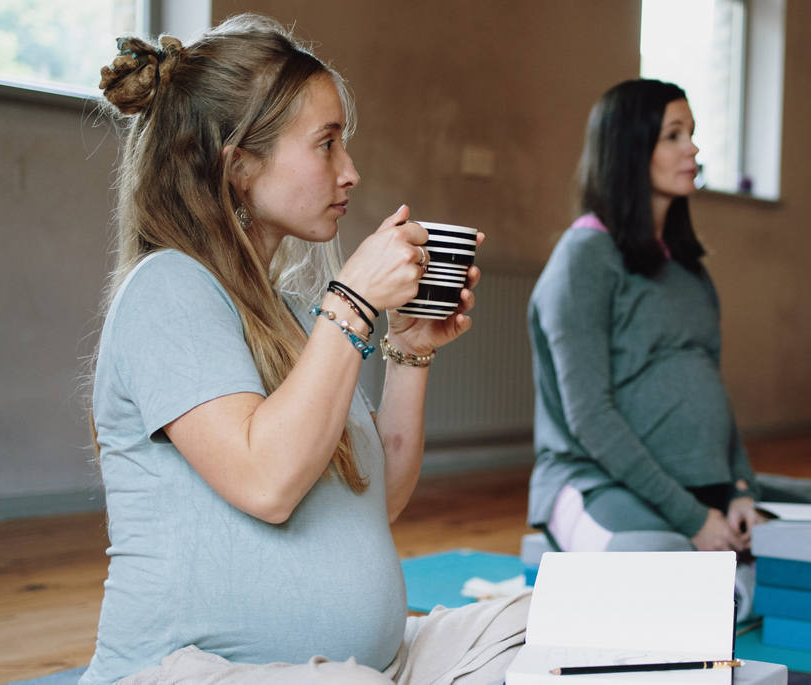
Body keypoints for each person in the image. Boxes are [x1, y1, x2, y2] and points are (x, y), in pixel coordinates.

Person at [83, 15, 524, 685]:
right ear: (239, 165)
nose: (350, 172)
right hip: (191, 671)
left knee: (544, 618)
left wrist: (407, 348)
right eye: (326, 144)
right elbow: (267, 481)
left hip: (373, 666)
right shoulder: (167, 289)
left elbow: (379, 499)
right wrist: (351, 301)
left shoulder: (294, 314)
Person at [526, 78, 811, 592]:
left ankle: (745, 581)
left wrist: (741, 491)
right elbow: (589, 417)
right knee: (673, 584)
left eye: (691, 132)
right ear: (629, 148)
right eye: (673, 135)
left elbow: (714, 394)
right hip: (595, 483)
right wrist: (692, 519)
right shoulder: (584, 258)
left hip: (706, 489)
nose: (692, 147)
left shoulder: (689, 270)